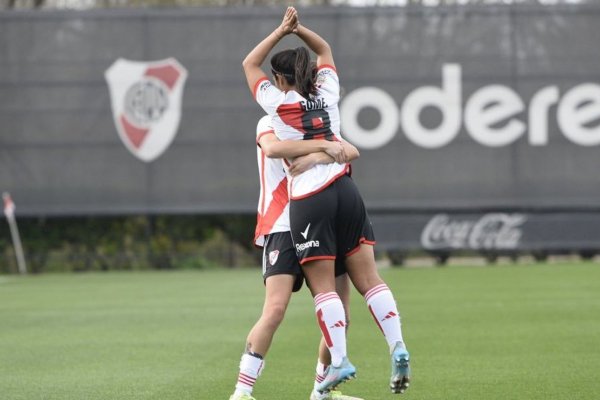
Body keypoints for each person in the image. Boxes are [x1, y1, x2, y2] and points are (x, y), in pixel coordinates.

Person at [242, 7, 411, 396]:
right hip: (346, 188)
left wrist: (280, 31)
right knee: (369, 279)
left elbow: (250, 63)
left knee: (325, 289)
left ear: (280, 79)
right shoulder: (328, 92)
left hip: (310, 196)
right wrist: (299, 30)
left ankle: (339, 362)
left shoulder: (276, 104)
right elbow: (325, 49)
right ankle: (397, 345)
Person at [228, 115, 363, 400]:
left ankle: (322, 392)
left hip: (321, 221)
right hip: (282, 224)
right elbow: (273, 148)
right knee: (275, 310)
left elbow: (350, 151)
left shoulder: (317, 125)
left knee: (340, 314)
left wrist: (318, 154)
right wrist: (325, 147)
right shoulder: (269, 122)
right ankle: (242, 391)